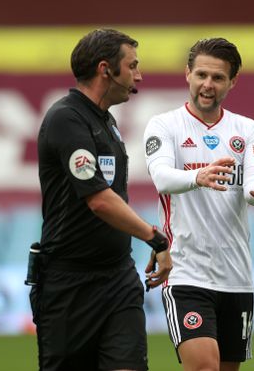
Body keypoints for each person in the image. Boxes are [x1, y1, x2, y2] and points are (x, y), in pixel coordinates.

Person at [28, 28, 172, 371]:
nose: (139, 74)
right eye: (133, 65)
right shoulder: (67, 118)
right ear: (106, 69)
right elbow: (99, 200)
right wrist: (156, 238)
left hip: (118, 279)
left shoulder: (106, 121)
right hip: (69, 285)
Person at [143, 37, 254, 371]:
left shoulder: (248, 130)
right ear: (187, 74)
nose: (208, 84)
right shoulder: (164, 125)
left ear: (232, 81)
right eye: (201, 74)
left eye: (218, 78)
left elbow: (250, 193)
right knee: (204, 367)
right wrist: (198, 176)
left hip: (237, 276)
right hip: (187, 273)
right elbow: (161, 178)